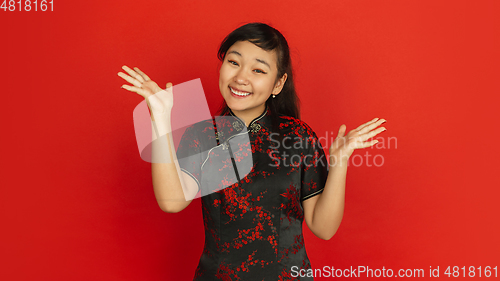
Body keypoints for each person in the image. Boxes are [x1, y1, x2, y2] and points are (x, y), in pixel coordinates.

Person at [118, 22, 387, 280]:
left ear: (278, 84)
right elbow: (172, 202)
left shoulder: (297, 137)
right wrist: (161, 120)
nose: (241, 77)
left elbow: (323, 228)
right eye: (233, 62)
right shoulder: (203, 135)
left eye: (258, 70)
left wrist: (339, 163)